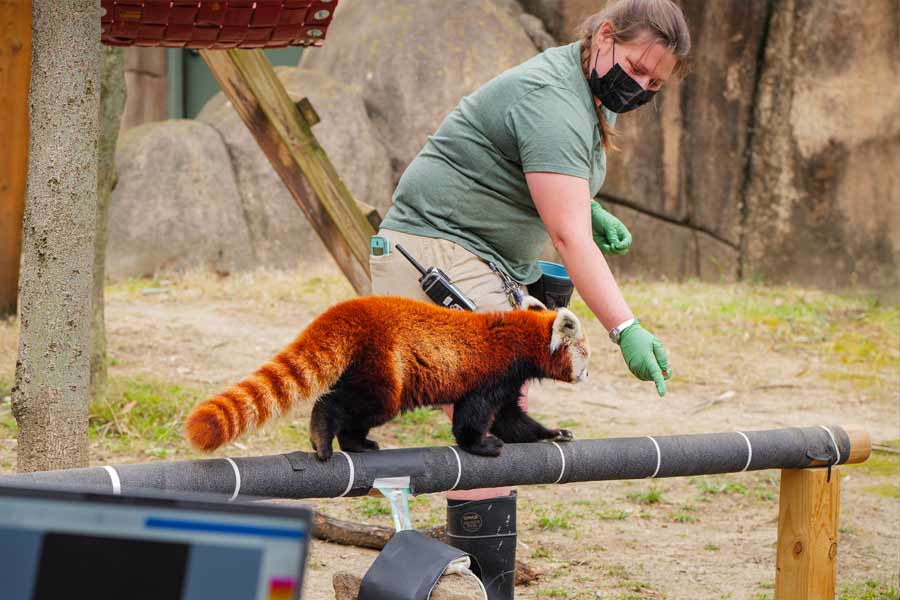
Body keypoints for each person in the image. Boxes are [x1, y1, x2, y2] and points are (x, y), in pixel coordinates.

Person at [368, 1, 690, 597]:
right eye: (637, 69)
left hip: (482, 259)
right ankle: (484, 587)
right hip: (436, 256)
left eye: (654, 83)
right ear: (605, 36)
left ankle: (484, 581)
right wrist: (625, 328)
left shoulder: (583, 88)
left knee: (500, 421)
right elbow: (567, 239)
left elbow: (528, 168)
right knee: (482, 421)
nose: (640, 87)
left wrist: (589, 205)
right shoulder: (553, 99)